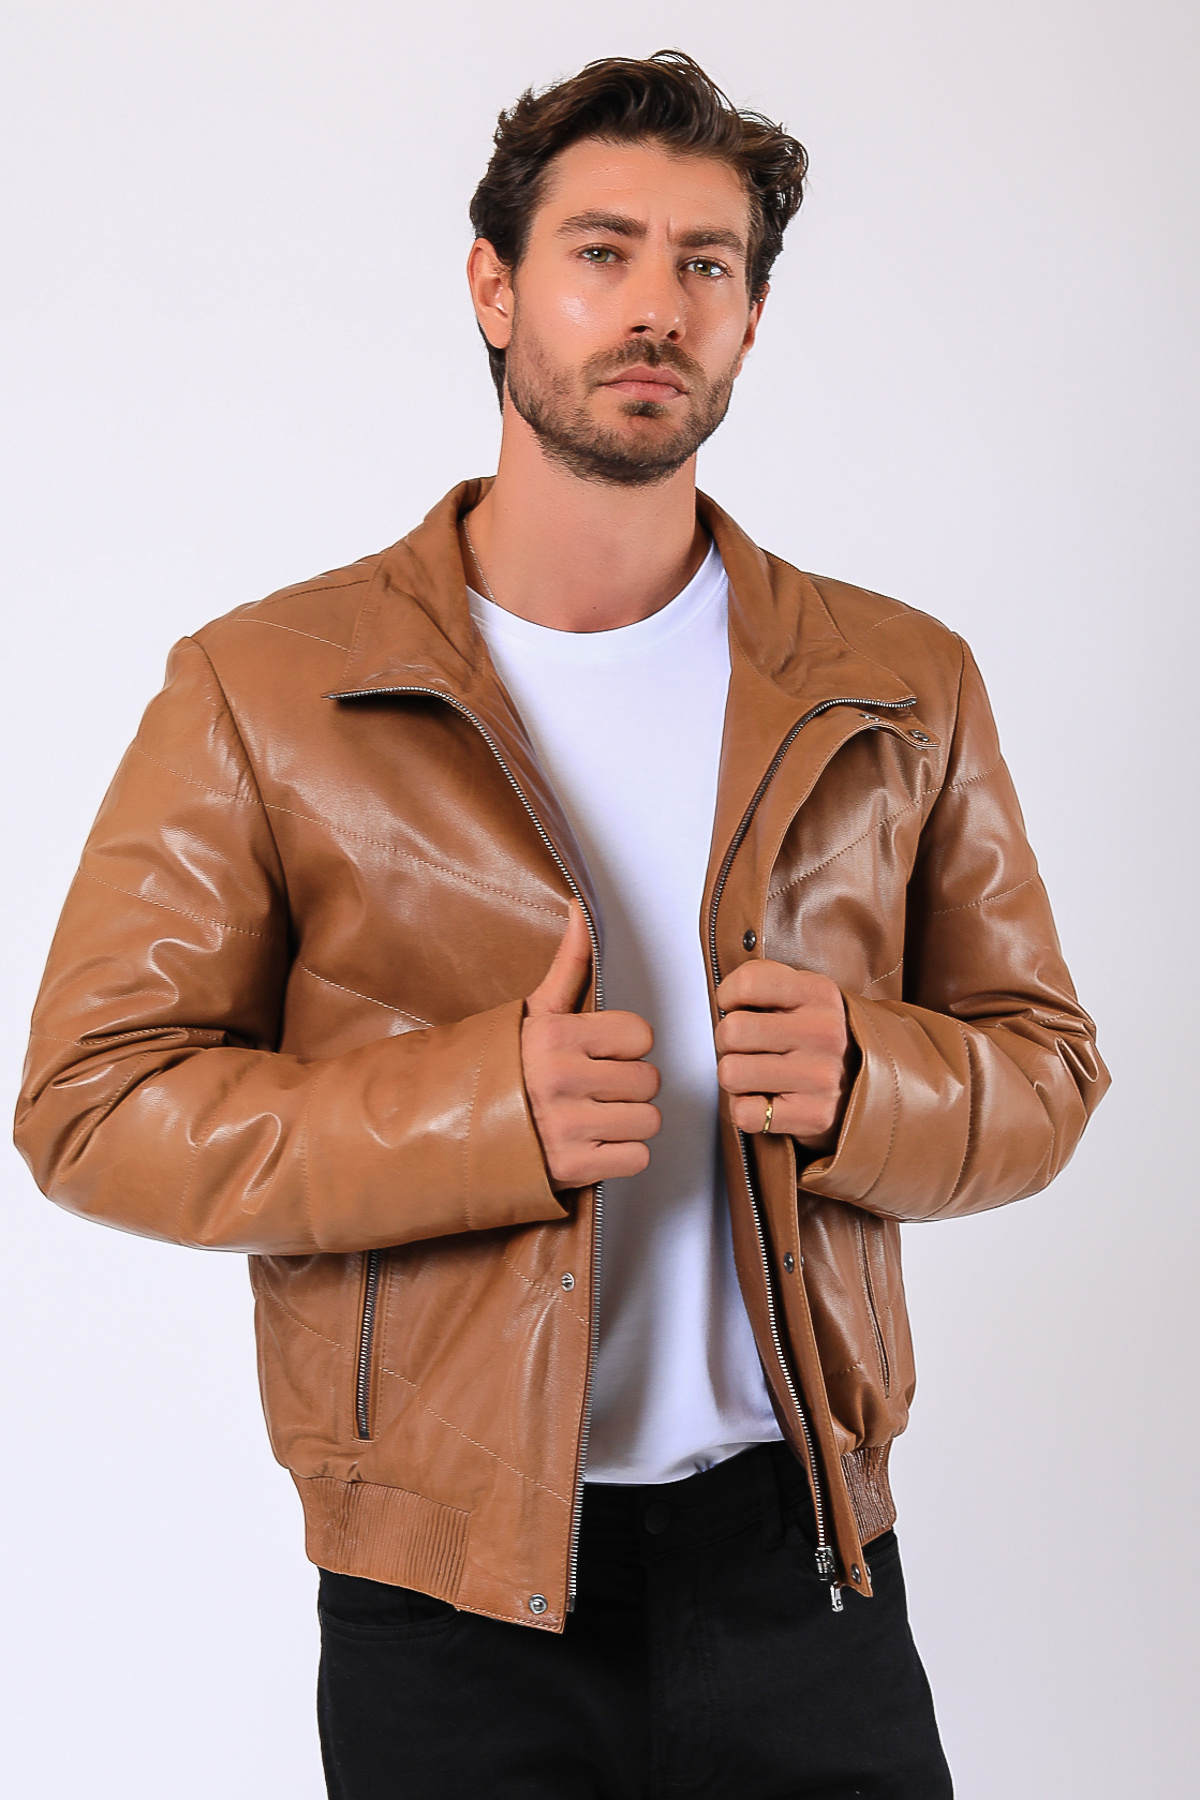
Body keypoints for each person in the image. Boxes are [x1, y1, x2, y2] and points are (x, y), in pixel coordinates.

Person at [14, 48, 1109, 1800]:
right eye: (603, 251)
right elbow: (90, 1103)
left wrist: (866, 1081)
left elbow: (1045, 1068)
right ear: (495, 287)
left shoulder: (902, 683)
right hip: (445, 1600)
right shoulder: (265, 689)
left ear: (750, 320)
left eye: (706, 263)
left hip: (809, 1555)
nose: (657, 305)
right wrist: (480, 1115)